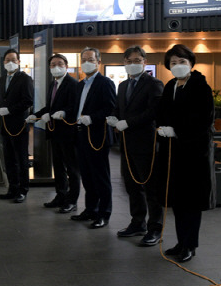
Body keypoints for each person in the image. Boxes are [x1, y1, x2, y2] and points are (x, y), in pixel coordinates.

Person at [156, 44, 215, 263]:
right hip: (172, 153)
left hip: (193, 154)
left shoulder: (200, 86)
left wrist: (178, 131)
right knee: (178, 201)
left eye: (182, 62)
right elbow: (161, 112)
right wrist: (161, 127)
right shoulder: (171, 85)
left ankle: (190, 245)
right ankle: (181, 242)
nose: (178, 66)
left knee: (191, 202)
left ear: (191, 63)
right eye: (173, 63)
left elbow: (202, 120)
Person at [107, 46, 164, 246]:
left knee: (151, 187)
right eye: (129, 60)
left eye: (137, 60)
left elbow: (154, 112)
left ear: (144, 61)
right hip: (127, 143)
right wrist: (113, 117)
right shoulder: (122, 85)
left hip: (147, 143)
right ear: (124, 63)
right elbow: (119, 107)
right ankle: (137, 222)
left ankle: (155, 228)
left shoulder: (154, 84)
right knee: (132, 186)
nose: (133, 63)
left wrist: (129, 123)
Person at [26, 53, 79, 213]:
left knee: (72, 168)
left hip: (68, 133)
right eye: (53, 64)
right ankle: (60, 196)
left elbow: (75, 107)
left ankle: (72, 200)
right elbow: (50, 107)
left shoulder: (73, 84)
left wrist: (63, 113)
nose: (56, 67)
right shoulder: (53, 84)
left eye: (60, 63)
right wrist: (36, 115)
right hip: (54, 132)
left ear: (66, 65)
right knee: (58, 167)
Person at [70, 47, 116, 229]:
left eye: (91, 59)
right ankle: (91, 209)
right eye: (84, 60)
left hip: (97, 137)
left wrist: (93, 118)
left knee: (100, 177)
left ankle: (104, 214)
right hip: (81, 136)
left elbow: (110, 107)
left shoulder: (105, 83)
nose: (87, 63)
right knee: (87, 177)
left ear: (98, 61)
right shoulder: (80, 84)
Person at [0, 49, 33, 203]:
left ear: (18, 62)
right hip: (5, 126)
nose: (10, 63)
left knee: (21, 160)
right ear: (3, 63)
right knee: (9, 160)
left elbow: (28, 101)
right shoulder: (3, 79)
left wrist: (10, 110)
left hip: (19, 127)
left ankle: (23, 190)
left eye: (13, 60)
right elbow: (1, 102)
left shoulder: (25, 79)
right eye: (7, 60)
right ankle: (13, 189)